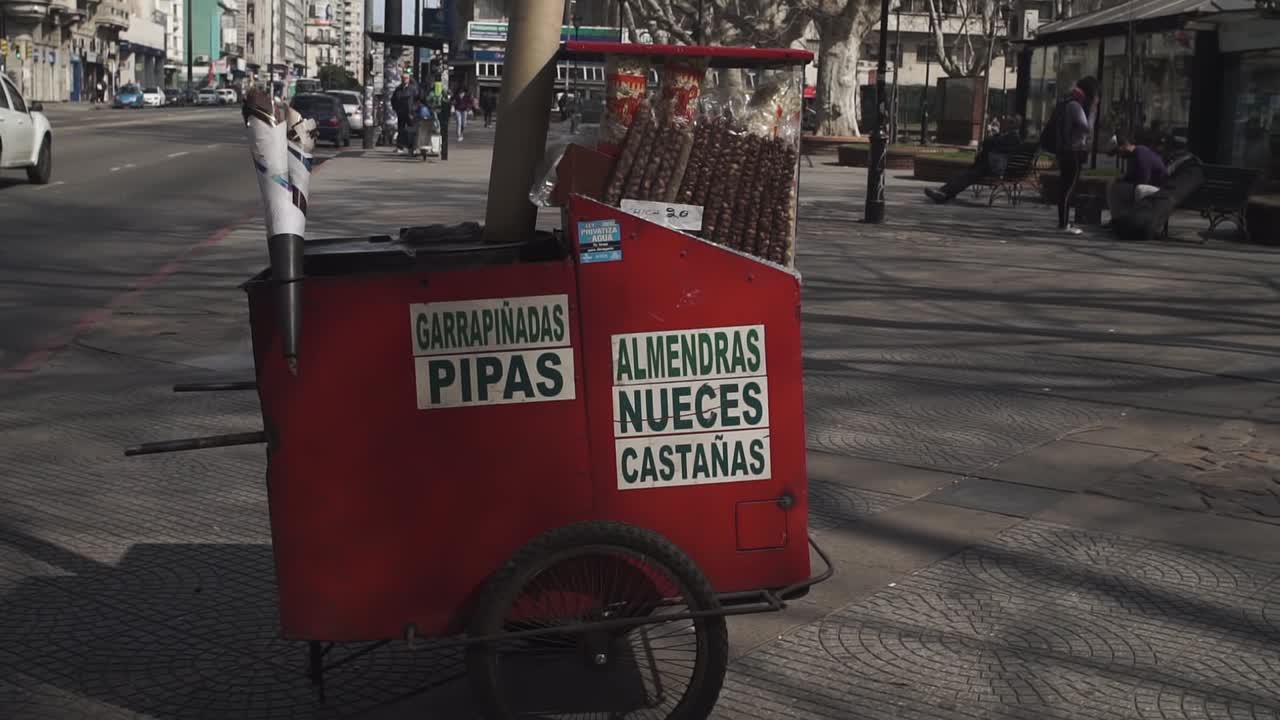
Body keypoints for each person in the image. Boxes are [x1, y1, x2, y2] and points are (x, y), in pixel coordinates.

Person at [925, 115, 1023, 203]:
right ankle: (944, 193)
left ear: (1013, 124)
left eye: (1007, 122)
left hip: (993, 168)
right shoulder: (1007, 135)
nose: (1004, 123)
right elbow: (989, 143)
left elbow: (988, 143)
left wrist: (995, 138)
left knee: (967, 176)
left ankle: (944, 193)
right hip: (988, 165)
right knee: (964, 175)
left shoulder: (1013, 137)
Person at [1046, 76, 1099, 235]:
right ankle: (1064, 224)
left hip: (1066, 150)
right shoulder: (1076, 106)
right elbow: (1086, 127)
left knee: (1066, 187)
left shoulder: (1068, 102)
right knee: (1068, 188)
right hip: (1071, 150)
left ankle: (1064, 223)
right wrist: (1093, 112)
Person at [1106, 135, 1168, 226]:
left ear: (1124, 146)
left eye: (1117, 152)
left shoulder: (1140, 153)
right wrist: (1120, 180)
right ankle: (1118, 220)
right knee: (1113, 185)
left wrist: (1126, 184)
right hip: (1148, 187)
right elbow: (1130, 177)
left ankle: (1124, 220)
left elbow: (1144, 180)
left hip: (1159, 190)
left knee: (1137, 188)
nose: (1118, 156)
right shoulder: (1132, 156)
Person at [390, 70, 421, 155]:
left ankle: (412, 147)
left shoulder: (413, 89)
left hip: (411, 113)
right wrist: (396, 109)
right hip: (401, 113)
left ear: (409, 79)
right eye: (403, 78)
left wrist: (414, 109)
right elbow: (393, 100)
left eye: (406, 78)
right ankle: (400, 147)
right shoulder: (398, 89)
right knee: (401, 130)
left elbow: (418, 100)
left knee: (412, 131)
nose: (404, 80)